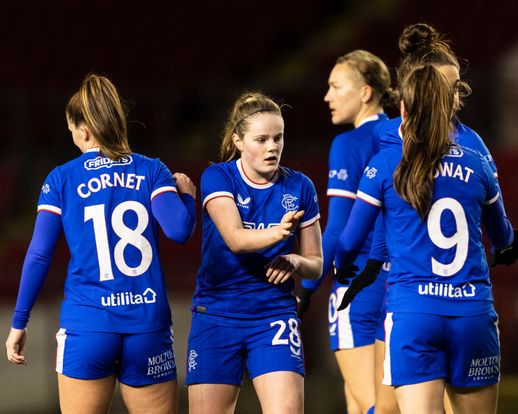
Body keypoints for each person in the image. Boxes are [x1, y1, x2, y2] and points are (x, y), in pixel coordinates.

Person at [335, 64, 518, 414]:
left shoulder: (386, 163)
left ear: (404, 111)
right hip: (472, 315)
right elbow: (503, 237)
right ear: (447, 107)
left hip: (413, 316)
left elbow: (348, 242)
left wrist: (343, 267)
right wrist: (505, 246)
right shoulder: (478, 161)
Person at [5, 74, 197, 414]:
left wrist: (19, 322)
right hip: (146, 326)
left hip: (87, 327)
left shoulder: (61, 178)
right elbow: (179, 230)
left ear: (83, 130)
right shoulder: (152, 170)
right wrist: (189, 197)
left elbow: (38, 255)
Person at [185, 92, 323, 414]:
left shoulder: (300, 186)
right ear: (238, 141)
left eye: (278, 138)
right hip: (216, 314)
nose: (272, 147)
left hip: (273, 315)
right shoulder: (218, 177)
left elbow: (315, 265)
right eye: (261, 139)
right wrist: (279, 231)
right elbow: (235, 238)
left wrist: (295, 260)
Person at [297, 50, 397, 414]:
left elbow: (338, 228)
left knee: (376, 408)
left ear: (366, 92)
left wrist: (306, 288)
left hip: (358, 288)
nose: (327, 96)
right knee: (359, 403)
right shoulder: (401, 136)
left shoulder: (348, 144)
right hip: (399, 283)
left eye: (336, 86)